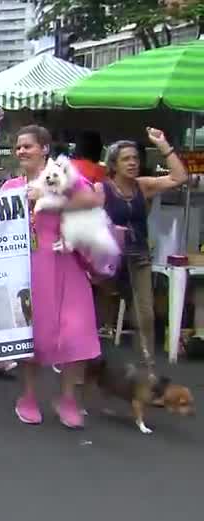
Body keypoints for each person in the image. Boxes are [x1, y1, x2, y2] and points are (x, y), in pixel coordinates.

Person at [3, 125, 103, 429]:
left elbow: (93, 201)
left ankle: (68, 398)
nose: (21, 151)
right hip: (29, 268)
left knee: (78, 333)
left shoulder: (64, 177)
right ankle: (29, 396)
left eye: (28, 146)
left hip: (67, 261)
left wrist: (48, 193)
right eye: (18, 147)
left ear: (45, 148)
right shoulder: (9, 186)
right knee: (33, 334)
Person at [103, 130, 189, 366]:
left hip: (138, 257)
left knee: (145, 315)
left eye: (135, 159)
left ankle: (147, 371)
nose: (132, 163)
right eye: (125, 159)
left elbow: (179, 178)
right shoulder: (102, 190)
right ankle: (88, 369)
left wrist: (163, 145)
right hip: (108, 261)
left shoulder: (143, 186)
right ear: (114, 164)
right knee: (94, 314)